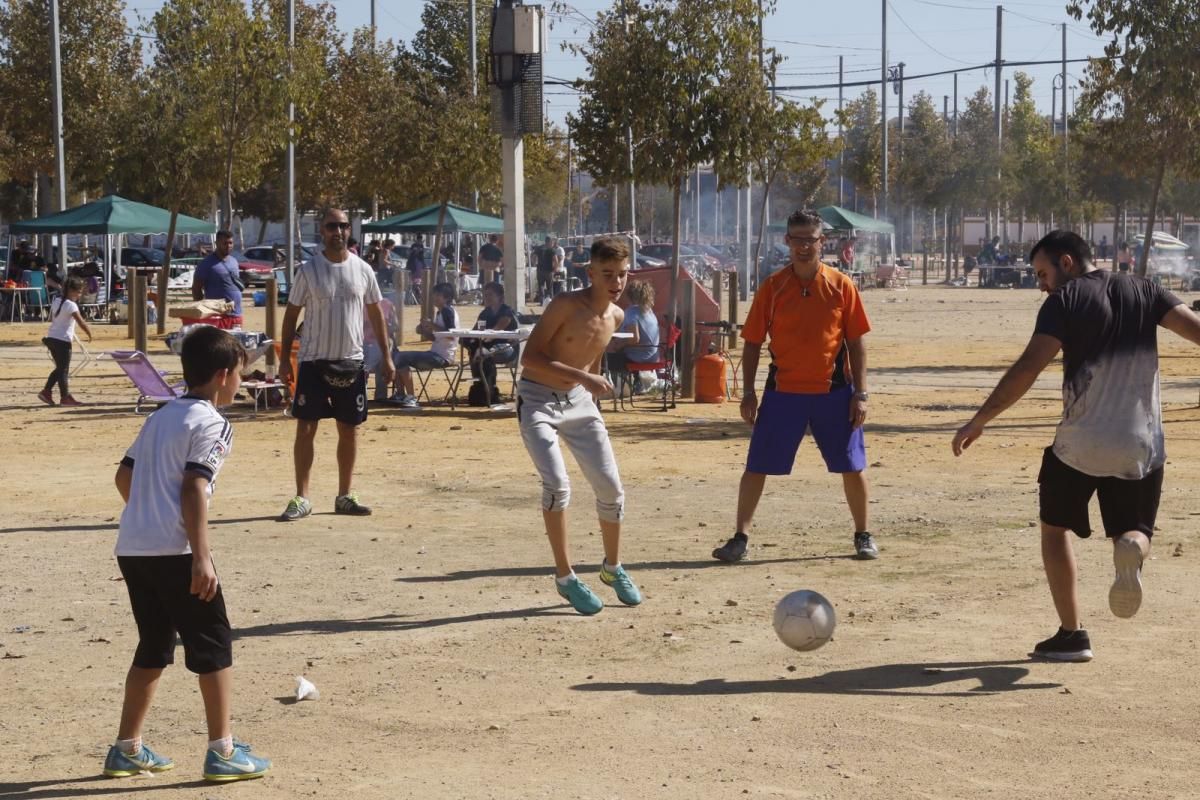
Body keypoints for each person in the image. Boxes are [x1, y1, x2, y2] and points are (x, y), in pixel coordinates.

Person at [951, 230, 1200, 662]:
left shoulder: (1063, 303)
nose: (1041, 284)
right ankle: (1133, 550)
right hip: (1139, 444)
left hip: (1079, 444)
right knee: (1137, 529)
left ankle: (1071, 634)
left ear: (1066, 263)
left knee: (1054, 529)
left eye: (1043, 273)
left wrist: (981, 418)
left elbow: (1029, 366)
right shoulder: (1146, 289)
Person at [105, 326, 271, 783]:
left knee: (154, 646)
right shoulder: (213, 422)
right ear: (222, 376)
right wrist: (201, 556)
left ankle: (127, 748)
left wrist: (147, 516)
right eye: (240, 373)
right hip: (176, 552)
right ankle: (223, 750)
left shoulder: (160, 416)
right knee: (213, 646)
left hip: (135, 547)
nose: (241, 381)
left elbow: (124, 476)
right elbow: (194, 486)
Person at [712, 208, 876, 564]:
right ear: (786, 241)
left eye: (811, 240)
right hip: (783, 394)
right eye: (797, 239)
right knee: (757, 465)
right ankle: (740, 537)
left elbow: (856, 343)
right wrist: (749, 393)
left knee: (852, 465)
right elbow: (752, 342)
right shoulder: (773, 287)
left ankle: (863, 535)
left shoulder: (841, 285)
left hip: (834, 393)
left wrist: (861, 395)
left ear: (823, 241)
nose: (804, 246)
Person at [517, 235, 641, 615]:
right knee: (557, 484)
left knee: (611, 488)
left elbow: (594, 357)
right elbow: (530, 357)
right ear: (590, 272)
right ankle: (565, 577)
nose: (616, 283)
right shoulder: (565, 305)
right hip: (538, 400)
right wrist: (583, 378)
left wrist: (591, 387)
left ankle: (612, 567)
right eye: (608, 274)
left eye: (621, 274)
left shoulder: (617, 315)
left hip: (580, 404)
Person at [278, 208, 395, 521]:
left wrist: (386, 356)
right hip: (314, 362)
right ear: (322, 230)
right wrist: (284, 360)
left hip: (351, 362)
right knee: (306, 428)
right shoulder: (309, 271)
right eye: (332, 226)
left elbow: (375, 314)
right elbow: (291, 316)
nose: (338, 231)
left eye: (343, 226)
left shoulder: (363, 270)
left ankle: (345, 495)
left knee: (350, 429)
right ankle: (302, 497)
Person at [390, 282, 460, 409]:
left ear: (447, 297)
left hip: (442, 357)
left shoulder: (447, 311)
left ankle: (410, 397)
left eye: (438, 296)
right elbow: (436, 338)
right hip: (436, 353)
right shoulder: (440, 313)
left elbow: (452, 334)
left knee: (400, 358)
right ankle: (401, 394)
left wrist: (431, 325)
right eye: (435, 295)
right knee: (398, 357)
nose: (435, 298)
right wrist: (425, 331)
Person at [38, 276, 92, 407]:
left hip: (52, 338)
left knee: (60, 368)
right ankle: (65, 397)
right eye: (79, 292)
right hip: (62, 341)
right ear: (72, 291)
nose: (79, 295)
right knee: (63, 370)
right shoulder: (71, 305)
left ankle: (47, 392)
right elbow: (80, 321)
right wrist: (89, 333)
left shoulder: (57, 300)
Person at [464, 281, 519, 404]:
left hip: (507, 349)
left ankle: (489, 391)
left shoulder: (507, 311)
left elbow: (498, 328)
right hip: (487, 348)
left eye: (490, 295)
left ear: (500, 297)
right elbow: (475, 331)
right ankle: (483, 389)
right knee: (475, 350)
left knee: (484, 354)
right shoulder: (485, 313)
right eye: (485, 295)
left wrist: (485, 338)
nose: (487, 298)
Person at [605, 280, 660, 393]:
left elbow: (635, 339)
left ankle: (608, 393)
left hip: (639, 358)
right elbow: (636, 335)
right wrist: (615, 335)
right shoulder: (649, 311)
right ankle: (635, 382)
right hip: (653, 357)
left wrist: (620, 345)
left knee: (604, 360)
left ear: (629, 296)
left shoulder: (632, 312)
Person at [191, 230, 243, 330]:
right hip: (216, 317)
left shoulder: (234, 261)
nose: (228, 246)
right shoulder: (206, 264)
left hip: (236, 315)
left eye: (230, 243)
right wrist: (203, 311)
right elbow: (196, 289)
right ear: (217, 243)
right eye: (225, 243)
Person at [363, 294, 397, 402]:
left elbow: (396, 326)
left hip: (381, 343)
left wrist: (386, 328)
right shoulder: (361, 304)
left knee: (380, 353)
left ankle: (380, 397)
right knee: (371, 352)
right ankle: (365, 393)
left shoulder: (387, 304)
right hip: (364, 342)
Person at [408, 236, 428, 301]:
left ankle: (418, 292)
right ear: (417, 240)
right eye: (419, 240)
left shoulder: (421, 245)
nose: (419, 241)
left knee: (419, 277)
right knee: (414, 277)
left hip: (419, 262)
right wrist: (416, 250)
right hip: (414, 263)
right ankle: (416, 291)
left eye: (420, 240)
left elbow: (422, 254)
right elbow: (411, 252)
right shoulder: (414, 245)